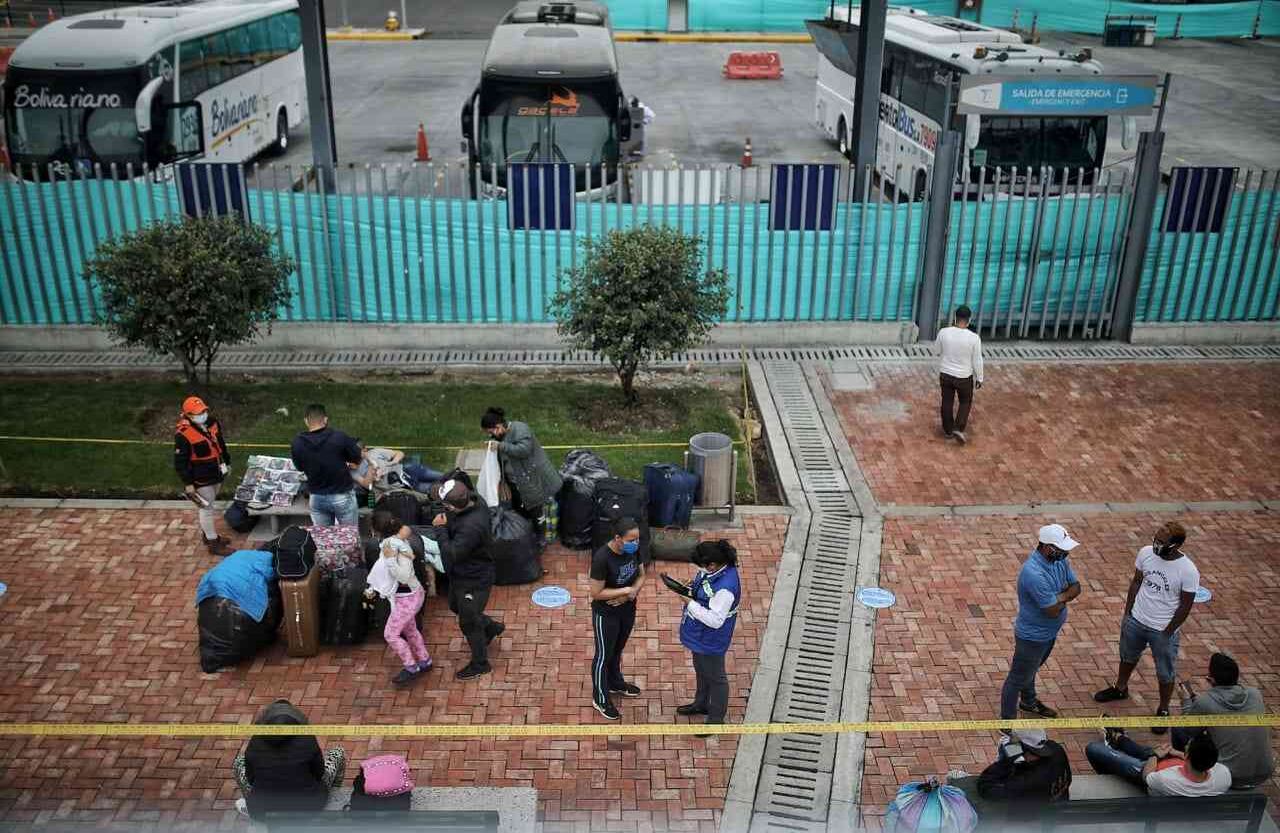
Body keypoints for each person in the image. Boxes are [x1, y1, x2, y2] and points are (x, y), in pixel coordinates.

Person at [1094, 522, 1199, 733]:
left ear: (1176, 545)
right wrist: (1127, 612)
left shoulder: (1188, 570)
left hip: (1162, 630)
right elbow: (1136, 581)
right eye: (1156, 539)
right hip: (1136, 620)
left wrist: (1168, 631)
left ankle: (1163, 709)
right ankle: (1120, 688)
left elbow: (1186, 605)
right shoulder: (1145, 553)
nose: (1156, 545)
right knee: (1127, 656)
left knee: (1165, 672)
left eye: (1162, 542)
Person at [1000, 524, 1082, 722]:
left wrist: (1058, 597)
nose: (1066, 553)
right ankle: (1006, 723)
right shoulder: (1033, 573)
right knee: (1016, 680)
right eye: (1062, 549)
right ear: (1048, 548)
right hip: (1032, 638)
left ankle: (1028, 702)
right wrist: (1064, 597)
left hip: (1048, 634)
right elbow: (1051, 610)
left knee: (1032, 669)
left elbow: (1076, 587)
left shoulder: (1059, 561)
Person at [665, 540, 741, 731]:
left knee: (716, 677)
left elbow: (715, 620)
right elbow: (705, 587)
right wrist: (692, 588)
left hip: (711, 637)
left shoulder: (725, 588)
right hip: (700, 633)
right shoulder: (714, 570)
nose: (699, 569)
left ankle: (715, 719)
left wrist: (688, 601)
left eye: (700, 566)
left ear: (712, 564)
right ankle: (701, 703)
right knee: (701, 668)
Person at [432, 478, 503, 680]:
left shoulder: (471, 527)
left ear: (453, 506)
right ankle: (490, 627)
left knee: (468, 622)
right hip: (461, 575)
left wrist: (440, 529)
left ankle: (481, 663)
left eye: (446, 505)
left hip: (474, 578)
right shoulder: (475, 500)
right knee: (455, 605)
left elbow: (452, 553)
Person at [232, 699, 346, 820]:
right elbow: (319, 773)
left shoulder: (255, 741)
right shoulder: (307, 739)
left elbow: (251, 779)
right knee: (338, 752)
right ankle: (335, 794)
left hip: (263, 811)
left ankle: (249, 802)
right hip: (310, 806)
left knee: (238, 761)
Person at [1174, 653, 1274, 788]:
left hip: (1229, 775)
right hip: (1264, 772)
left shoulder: (1205, 702)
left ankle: (1188, 776)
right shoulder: (1255, 694)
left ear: (1211, 680)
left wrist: (1185, 701)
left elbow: (1189, 730)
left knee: (1178, 730)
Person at [589, 517, 647, 721]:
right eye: (631, 539)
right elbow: (596, 592)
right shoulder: (602, 558)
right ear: (617, 538)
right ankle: (600, 697)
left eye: (637, 539)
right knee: (603, 655)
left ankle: (615, 682)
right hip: (606, 614)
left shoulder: (634, 550)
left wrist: (630, 594)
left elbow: (641, 575)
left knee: (617, 649)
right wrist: (624, 591)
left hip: (628, 609)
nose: (636, 543)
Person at [368, 511, 434, 687]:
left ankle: (411, 667)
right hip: (406, 596)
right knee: (410, 629)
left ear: (375, 531)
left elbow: (404, 576)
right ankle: (424, 660)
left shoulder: (395, 548)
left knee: (390, 634)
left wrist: (390, 561)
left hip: (408, 598)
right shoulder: (393, 542)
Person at [480, 407, 562, 538]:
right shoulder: (501, 436)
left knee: (537, 511)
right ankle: (528, 532)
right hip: (517, 482)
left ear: (499, 426)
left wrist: (501, 446)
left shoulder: (520, 429)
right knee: (522, 510)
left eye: (492, 432)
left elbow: (524, 450)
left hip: (533, 480)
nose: (492, 435)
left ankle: (542, 537)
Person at [1085, 728, 1231, 797]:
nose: (1185, 745)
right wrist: (1176, 753)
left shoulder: (1164, 779)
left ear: (1187, 756)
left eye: (1187, 747)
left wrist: (1155, 755)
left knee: (1094, 749)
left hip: (1147, 771)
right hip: (1169, 763)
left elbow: (1146, 776)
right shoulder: (1223, 776)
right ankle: (1119, 739)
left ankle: (1115, 742)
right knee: (1143, 751)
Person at [174, 395, 233, 556]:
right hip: (200, 478)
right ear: (188, 415)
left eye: (204, 411)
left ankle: (209, 535)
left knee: (211, 503)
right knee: (206, 509)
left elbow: (221, 443)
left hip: (217, 472)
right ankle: (213, 543)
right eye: (197, 413)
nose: (202, 414)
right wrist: (188, 483)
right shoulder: (183, 435)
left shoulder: (212, 423)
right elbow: (180, 462)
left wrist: (227, 462)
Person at [956, 728, 1071, 807]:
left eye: (1014, 741)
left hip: (1033, 816)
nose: (1011, 741)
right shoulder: (1057, 750)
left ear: (1024, 749)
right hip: (1058, 802)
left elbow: (985, 787)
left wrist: (1009, 757)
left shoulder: (1025, 781)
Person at [290, 404, 362, 527]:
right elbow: (357, 457)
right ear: (325, 419)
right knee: (349, 536)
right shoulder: (339, 436)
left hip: (316, 497)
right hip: (342, 495)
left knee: (323, 539)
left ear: (306, 421)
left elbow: (300, 467)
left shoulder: (297, 442)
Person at [936, 304, 984, 444]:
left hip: (945, 373)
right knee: (965, 401)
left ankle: (948, 429)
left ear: (955, 318)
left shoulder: (943, 332)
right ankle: (959, 427)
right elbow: (977, 360)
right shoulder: (974, 338)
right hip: (964, 376)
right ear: (969, 320)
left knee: (947, 400)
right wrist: (979, 377)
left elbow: (937, 350)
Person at [352, 442, 443, 496]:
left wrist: (392, 462)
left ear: (365, 450)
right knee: (439, 490)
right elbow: (367, 485)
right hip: (404, 486)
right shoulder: (353, 471)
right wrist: (373, 471)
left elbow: (399, 453)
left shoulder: (375, 452)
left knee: (445, 476)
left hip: (410, 470)